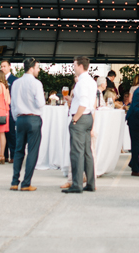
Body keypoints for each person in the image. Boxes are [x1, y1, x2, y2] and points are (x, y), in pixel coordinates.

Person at [10, 57, 45, 192]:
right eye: (37, 67)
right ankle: (26, 182)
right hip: (33, 118)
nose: (38, 70)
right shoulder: (36, 83)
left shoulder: (16, 83)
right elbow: (40, 103)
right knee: (32, 151)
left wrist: (16, 118)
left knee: (19, 150)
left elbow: (13, 104)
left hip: (20, 119)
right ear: (31, 68)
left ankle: (14, 181)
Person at [63, 56, 96, 194]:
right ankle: (90, 183)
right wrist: (71, 99)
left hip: (80, 118)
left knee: (77, 152)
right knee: (88, 152)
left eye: (74, 65)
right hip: (88, 117)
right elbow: (86, 101)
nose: (73, 67)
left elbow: (83, 103)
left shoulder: (81, 82)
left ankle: (76, 184)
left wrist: (75, 119)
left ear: (81, 66)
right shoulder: (91, 81)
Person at [125, 78, 139, 177]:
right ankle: (135, 169)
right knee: (136, 144)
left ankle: (133, 162)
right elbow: (135, 108)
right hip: (135, 120)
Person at [0, 60, 17, 164]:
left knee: (11, 133)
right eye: (1, 66)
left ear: (10, 67)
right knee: (3, 132)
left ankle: (14, 155)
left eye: (4, 66)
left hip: (10, 109)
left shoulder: (15, 80)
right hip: (1, 109)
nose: (3, 68)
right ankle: (4, 155)